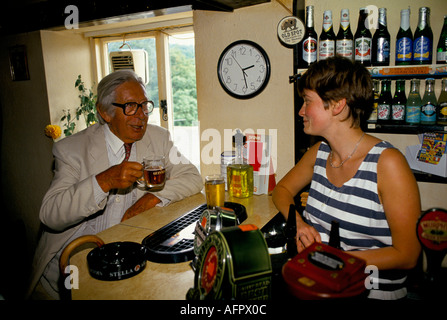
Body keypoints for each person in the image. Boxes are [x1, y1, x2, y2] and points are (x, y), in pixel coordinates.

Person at [28, 70, 203, 299]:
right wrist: (104, 181)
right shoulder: (71, 150)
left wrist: (150, 199)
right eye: (130, 106)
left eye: (144, 105)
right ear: (105, 112)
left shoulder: (158, 138)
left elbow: (192, 176)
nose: (141, 115)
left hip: (126, 260)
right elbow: (50, 214)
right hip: (70, 273)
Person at [272, 56, 421, 300]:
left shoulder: (387, 163)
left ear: (338, 105)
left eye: (307, 101)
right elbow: (281, 190)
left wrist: (329, 258)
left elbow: (407, 255)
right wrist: (299, 224)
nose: (301, 111)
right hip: (319, 286)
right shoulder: (319, 153)